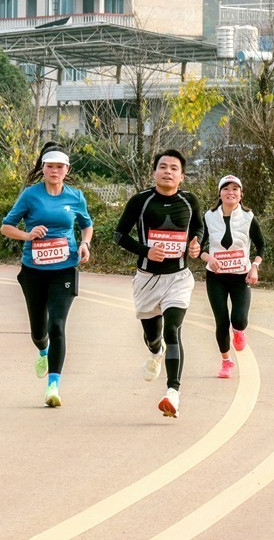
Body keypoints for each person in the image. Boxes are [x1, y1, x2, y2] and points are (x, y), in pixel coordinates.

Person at [0, 143, 93, 408]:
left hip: (64, 268)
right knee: (39, 331)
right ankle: (43, 350)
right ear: (43, 169)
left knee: (57, 325)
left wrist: (85, 244)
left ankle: (53, 386)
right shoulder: (31, 195)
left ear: (67, 170)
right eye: (50, 166)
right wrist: (28, 235)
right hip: (34, 271)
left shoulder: (76, 197)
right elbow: (6, 226)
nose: (54, 171)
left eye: (59, 167)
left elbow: (86, 225)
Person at [113, 149, 203, 418]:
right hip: (147, 280)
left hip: (178, 278)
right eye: (163, 167)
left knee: (173, 329)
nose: (168, 171)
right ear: (154, 172)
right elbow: (118, 235)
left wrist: (196, 244)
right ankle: (156, 352)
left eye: (174, 168)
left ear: (182, 176)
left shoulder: (190, 201)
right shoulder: (141, 201)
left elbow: (198, 229)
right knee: (154, 338)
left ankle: (172, 392)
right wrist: (145, 251)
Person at [200, 174, 265, 380]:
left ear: (241, 194)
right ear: (219, 194)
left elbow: (261, 245)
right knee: (221, 322)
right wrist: (208, 257)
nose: (231, 192)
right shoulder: (209, 217)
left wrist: (254, 266)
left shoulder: (248, 217)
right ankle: (226, 361)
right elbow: (198, 247)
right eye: (226, 188)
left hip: (240, 276)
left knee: (239, 319)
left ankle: (239, 331)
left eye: (235, 189)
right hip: (216, 277)